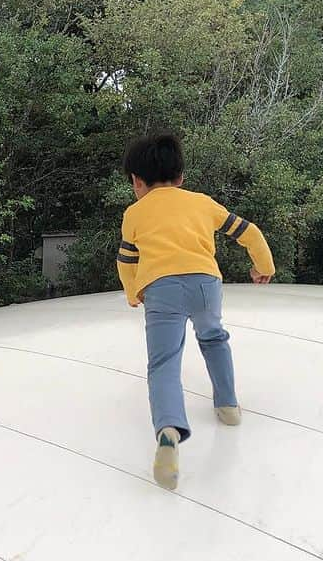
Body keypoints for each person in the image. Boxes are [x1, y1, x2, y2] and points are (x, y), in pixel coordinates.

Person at [117, 132, 275, 490]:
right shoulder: (202, 202)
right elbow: (249, 232)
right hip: (206, 284)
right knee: (215, 338)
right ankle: (228, 406)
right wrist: (263, 266)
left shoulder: (134, 213)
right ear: (181, 177)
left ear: (137, 181)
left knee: (163, 364)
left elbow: (126, 260)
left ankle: (169, 431)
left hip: (161, 289)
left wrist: (132, 293)